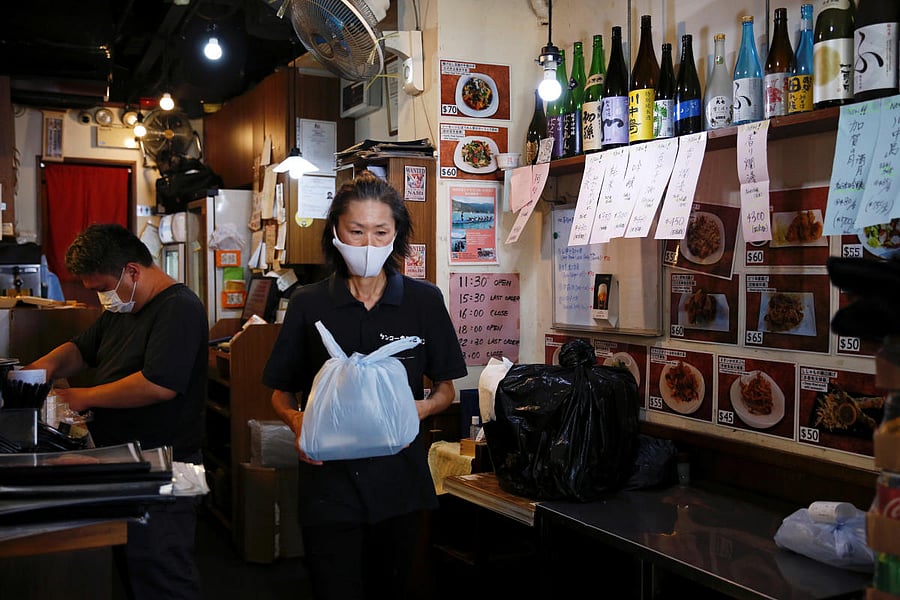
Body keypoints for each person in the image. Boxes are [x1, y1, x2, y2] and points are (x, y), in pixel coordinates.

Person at [263, 171, 468, 600]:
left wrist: (422, 409)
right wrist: (297, 421)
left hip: (403, 485)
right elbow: (280, 390)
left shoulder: (422, 301)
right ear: (335, 231)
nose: (369, 244)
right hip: (329, 492)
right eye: (356, 231)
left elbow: (447, 389)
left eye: (381, 232)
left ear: (397, 236)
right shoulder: (310, 303)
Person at [25, 223, 208, 600]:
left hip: (165, 468)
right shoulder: (123, 309)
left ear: (132, 271)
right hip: (126, 462)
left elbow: (159, 384)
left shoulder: (180, 308)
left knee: (163, 575)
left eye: (101, 289)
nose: (100, 299)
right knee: (133, 572)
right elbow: (80, 349)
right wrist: (39, 370)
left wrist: (84, 397)